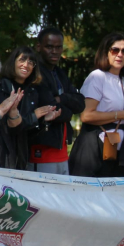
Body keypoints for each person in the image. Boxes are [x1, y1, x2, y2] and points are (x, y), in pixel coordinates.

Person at [69, 32, 124, 177]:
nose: (120, 54)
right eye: (115, 50)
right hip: (94, 148)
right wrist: (121, 114)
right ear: (105, 52)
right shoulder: (97, 77)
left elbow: (123, 120)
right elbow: (86, 115)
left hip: (121, 153)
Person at [31, 27, 87, 175]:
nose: (54, 51)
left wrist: (61, 98)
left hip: (61, 149)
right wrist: (67, 110)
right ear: (39, 47)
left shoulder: (60, 73)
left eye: (58, 47)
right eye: (49, 47)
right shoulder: (35, 74)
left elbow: (81, 103)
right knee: (43, 197)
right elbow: (51, 109)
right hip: (41, 150)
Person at [0, 46, 58, 170]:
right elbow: (7, 126)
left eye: (31, 62)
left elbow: (28, 133)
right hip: (2, 154)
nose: (26, 65)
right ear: (13, 62)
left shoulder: (32, 91)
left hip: (22, 156)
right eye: (22, 60)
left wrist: (44, 121)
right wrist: (34, 116)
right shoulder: (1, 86)